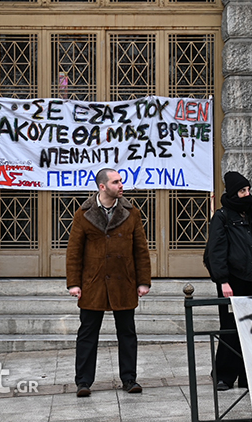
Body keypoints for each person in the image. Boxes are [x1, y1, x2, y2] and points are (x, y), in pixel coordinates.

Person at [66, 168, 152, 398]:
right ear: (102, 187)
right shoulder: (83, 213)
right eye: (116, 182)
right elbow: (74, 251)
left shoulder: (131, 212)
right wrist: (74, 283)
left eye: (121, 181)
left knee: (127, 333)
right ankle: (83, 382)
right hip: (93, 283)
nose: (121, 185)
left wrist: (143, 281)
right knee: (87, 334)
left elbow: (141, 250)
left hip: (124, 282)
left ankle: (129, 379)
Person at [203, 171, 252, 391]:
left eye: (248, 190)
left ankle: (247, 376)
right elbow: (215, 252)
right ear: (234, 193)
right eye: (243, 191)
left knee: (251, 328)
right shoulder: (223, 217)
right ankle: (223, 375)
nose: (247, 195)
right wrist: (223, 281)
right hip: (232, 281)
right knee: (230, 328)